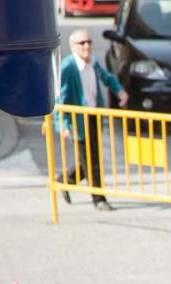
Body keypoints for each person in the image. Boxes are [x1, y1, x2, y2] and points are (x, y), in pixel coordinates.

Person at [54, 30, 128, 211]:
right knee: (92, 160)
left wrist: (120, 91)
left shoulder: (93, 63)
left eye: (89, 42)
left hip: (94, 116)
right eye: (82, 43)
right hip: (78, 120)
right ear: (73, 47)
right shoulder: (68, 68)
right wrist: (62, 125)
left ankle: (65, 180)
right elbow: (59, 100)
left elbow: (107, 78)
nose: (87, 46)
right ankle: (99, 198)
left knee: (88, 159)